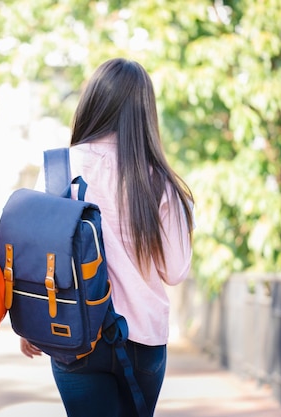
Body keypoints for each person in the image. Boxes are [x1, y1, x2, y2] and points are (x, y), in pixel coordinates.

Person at [20, 58, 195, 417]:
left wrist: (30, 322)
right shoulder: (160, 182)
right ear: (146, 113)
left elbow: (38, 255)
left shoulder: (59, 168)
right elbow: (175, 272)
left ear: (93, 103)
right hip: (142, 338)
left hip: (73, 333)